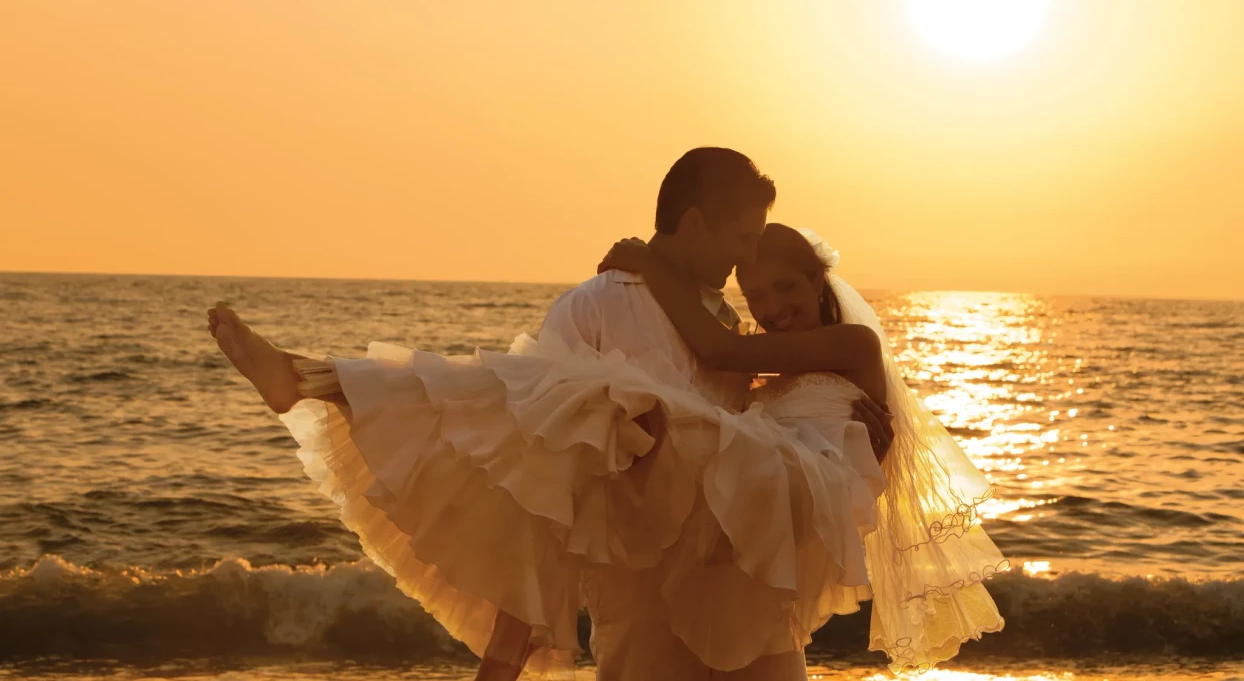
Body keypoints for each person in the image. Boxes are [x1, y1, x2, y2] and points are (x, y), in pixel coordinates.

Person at [205, 147, 902, 681]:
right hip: (644, 606)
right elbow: (537, 470)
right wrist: (508, 653)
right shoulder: (597, 305)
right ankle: (315, 379)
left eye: (772, 266)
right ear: (695, 225)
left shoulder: (734, 335)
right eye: (743, 241)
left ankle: (316, 379)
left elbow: (759, 445)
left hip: (747, 594)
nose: (749, 263)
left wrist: (854, 436)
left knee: (626, 412)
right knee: (553, 404)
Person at [597, 223, 1009, 673]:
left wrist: (651, 267)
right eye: (756, 297)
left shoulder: (853, 344)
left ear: (817, 280)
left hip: (776, 552)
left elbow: (719, 349)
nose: (773, 308)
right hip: (733, 550)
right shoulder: (761, 366)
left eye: (786, 287)